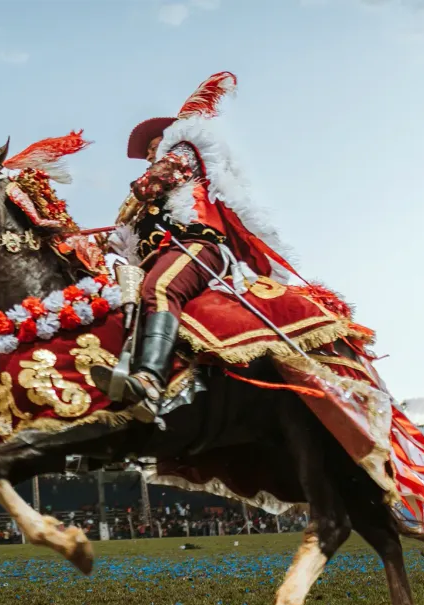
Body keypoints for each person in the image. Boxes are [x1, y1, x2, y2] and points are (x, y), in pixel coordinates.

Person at [96, 72, 293, 418]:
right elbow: (120, 236)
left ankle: (150, 381)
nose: (150, 153)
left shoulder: (184, 155)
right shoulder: (146, 194)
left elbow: (155, 180)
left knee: (161, 288)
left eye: (153, 146)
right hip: (156, 257)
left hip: (196, 246)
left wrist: (142, 187)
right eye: (148, 151)